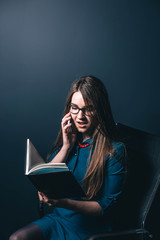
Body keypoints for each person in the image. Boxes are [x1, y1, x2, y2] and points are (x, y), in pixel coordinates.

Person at [10, 75, 126, 240]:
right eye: (75, 108)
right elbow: (46, 176)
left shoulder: (114, 150)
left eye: (89, 108)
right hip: (59, 220)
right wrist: (66, 146)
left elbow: (105, 207)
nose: (80, 116)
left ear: (100, 110)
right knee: (17, 238)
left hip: (90, 230)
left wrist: (62, 202)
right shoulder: (70, 140)